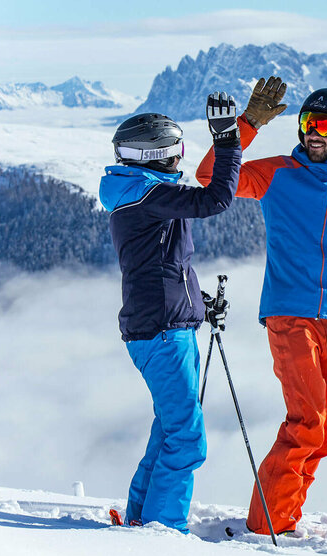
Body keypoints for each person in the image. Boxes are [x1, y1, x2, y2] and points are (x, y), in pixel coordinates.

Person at [196, 80, 327, 535]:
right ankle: (270, 526)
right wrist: (245, 127)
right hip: (289, 314)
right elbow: (209, 177)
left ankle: (284, 509)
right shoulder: (279, 173)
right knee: (307, 421)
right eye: (306, 123)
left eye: (323, 124)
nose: (311, 133)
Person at [98, 92, 241, 532]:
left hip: (160, 326)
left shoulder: (138, 194)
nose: (180, 158)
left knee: (169, 430)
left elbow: (168, 265)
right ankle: (163, 534)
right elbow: (216, 200)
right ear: (157, 154)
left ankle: (141, 518)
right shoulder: (148, 195)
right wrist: (228, 141)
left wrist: (196, 303)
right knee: (187, 441)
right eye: (177, 150)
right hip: (162, 332)